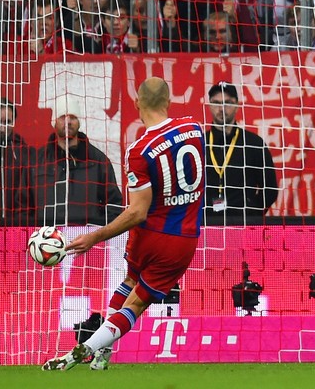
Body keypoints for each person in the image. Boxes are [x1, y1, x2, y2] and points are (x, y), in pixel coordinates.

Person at [43, 78, 205, 372]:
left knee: (129, 283)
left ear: (136, 104)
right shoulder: (194, 129)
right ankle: (86, 350)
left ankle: (100, 352)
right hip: (180, 238)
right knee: (136, 304)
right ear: (168, 101)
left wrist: (94, 237)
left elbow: (137, 212)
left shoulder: (139, 150)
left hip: (147, 236)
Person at [202, 83, 279, 226]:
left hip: (244, 223)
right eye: (217, 103)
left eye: (228, 103)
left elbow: (270, 188)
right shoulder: (200, 143)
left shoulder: (254, 143)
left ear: (237, 105)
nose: (222, 108)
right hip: (206, 223)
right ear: (209, 105)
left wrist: (252, 213)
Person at [31, 111, 121, 227]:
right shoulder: (36, 161)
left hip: (89, 240)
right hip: (45, 239)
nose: (68, 122)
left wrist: (98, 234)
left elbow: (114, 204)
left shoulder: (98, 160)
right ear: (54, 121)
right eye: (62, 117)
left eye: (73, 117)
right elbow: (22, 205)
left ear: (79, 122)